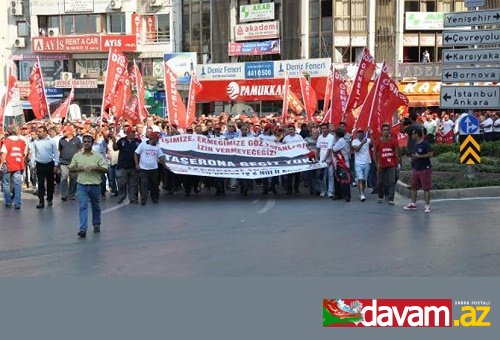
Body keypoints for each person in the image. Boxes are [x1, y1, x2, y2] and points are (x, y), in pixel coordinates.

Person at [70, 134, 109, 238]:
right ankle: (83, 229)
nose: (86, 143)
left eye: (88, 141)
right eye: (85, 141)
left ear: (92, 143)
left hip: (95, 185)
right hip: (82, 184)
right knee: (83, 206)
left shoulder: (98, 156)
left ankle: (96, 223)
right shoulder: (77, 156)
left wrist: (95, 167)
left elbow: (105, 169)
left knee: (95, 206)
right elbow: (71, 168)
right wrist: (79, 168)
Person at [404, 128, 434, 213]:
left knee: (426, 188)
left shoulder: (425, 144)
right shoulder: (415, 144)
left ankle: (427, 206)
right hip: (416, 168)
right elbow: (415, 155)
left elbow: (431, 154)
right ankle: (413, 204)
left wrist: (420, 156)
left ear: (417, 134)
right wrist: (412, 159)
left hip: (425, 168)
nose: (412, 136)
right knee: (413, 187)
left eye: (413, 134)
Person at [134, 132, 166, 205]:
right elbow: (136, 153)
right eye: (156, 138)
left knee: (154, 185)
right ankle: (143, 199)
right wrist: (136, 164)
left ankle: (154, 198)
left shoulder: (157, 147)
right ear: (152, 138)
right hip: (143, 169)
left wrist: (165, 165)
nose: (158, 140)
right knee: (143, 184)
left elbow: (161, 157)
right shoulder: (143, 145)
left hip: (154, 169)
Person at [112, 126, 141, 204]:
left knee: (133, 184)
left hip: (133, 166)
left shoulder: (138, 141)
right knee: (121, 183)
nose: (134, 134)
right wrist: (114, 142)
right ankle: (121, 196)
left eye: (134, 132)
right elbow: (115, 148)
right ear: (128, 133)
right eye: (132, 132)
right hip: (122, 166)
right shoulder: (122, 140)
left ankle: (133, 198)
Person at [33, 125, 60, 209]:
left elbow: (56, 153)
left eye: (40, 132)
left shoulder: (51, 141)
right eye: (38, 132)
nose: (38, 133)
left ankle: (49, 199)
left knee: (50, 183)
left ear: (45, 132)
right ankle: (41, 201)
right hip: (39, 164)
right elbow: (34, 154)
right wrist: (32, 165)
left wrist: (56, 164)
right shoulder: (35, 142)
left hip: (49, 164)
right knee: (40, 183)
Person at [1, 126, 27, 209]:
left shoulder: (6, 141)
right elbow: (24, 153)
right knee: (17, 184)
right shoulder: (22, 141)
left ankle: (8, 202)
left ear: (8, 132)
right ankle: (17, 203)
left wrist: (1, 163)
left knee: (6, 183)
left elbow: (3, 153)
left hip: (8, 164)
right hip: (18, 164)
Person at [372, 123, 399, 205]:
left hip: (391, 165)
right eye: (384, 130)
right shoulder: (378, 141)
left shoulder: (393, 140)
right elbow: (374, 153)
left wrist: (396, 164)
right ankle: (380, 196)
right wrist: (377, 165)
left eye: (387, 130)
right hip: (381, 165)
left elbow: (397, 153)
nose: (386, 132)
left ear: (389, 131)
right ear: (381, 131)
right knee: (380, 182)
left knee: (391, 182)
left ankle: (391, 199)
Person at [58, 126, 82, 201]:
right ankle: (64, 195)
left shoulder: (77, 140)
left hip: (74, 163)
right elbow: (59, 150)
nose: (63, 132)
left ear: (70, 131)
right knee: (64, 177)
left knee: (73, 178)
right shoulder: (61, 140)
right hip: (63, 162)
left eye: (65, 131)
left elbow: (81, 149)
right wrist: (57, 161)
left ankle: (71, 194)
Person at [282, 124, 304, 194]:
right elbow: (282, 148)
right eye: (289, 130)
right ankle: (289, 189)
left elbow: (303, 145)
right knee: (289, 175)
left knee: (297, 175)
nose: (291, 131)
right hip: (289, 158)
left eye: (292, 129)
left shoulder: (299, 137)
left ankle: (296, 188)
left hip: (297, 158)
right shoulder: (286, 138)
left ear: (294, 130)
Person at [351, 129, 371, 202]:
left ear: (363, 134)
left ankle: (362, 192)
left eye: (361, 133)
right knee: (360, 179)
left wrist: (370, 133)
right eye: (358, 133)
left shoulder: (367, 140)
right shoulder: (354, 141)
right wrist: (362, 143)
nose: (360, 134)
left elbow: (374, 143)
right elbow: (356, 150)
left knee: (364, 180)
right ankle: (362, 194)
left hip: (367, 162)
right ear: (357, 134)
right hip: (358, 163)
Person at [316, 123, 334, 198]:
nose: (324, 130)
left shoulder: (331, 137)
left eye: (325, 128)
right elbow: (318, 148)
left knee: (330, 176)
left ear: (328, 129)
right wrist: (317, 157)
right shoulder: (320, 137)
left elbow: (330, 149)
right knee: (321, 176)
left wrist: (327, 159)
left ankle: (330, 192)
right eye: (322, 128)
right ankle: (323, 190)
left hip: (329, 160)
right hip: (321, 160)